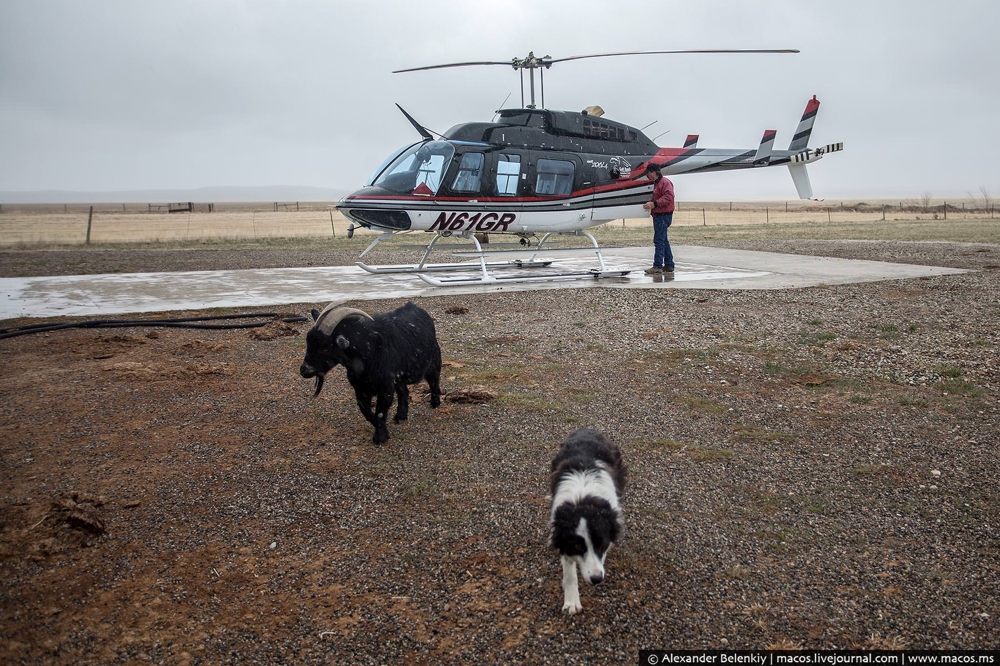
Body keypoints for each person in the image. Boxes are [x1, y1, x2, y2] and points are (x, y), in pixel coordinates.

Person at [641, 163, 675, 274]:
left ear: (653, 172)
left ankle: (657, 266)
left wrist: (654, 204)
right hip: (660, 215)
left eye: (648, 173)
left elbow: (669, 197)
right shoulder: (658, 183)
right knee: (663, 240)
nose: (647, 175)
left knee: (659, 241)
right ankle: (669, 265)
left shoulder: (664, 183)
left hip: (663, 215)